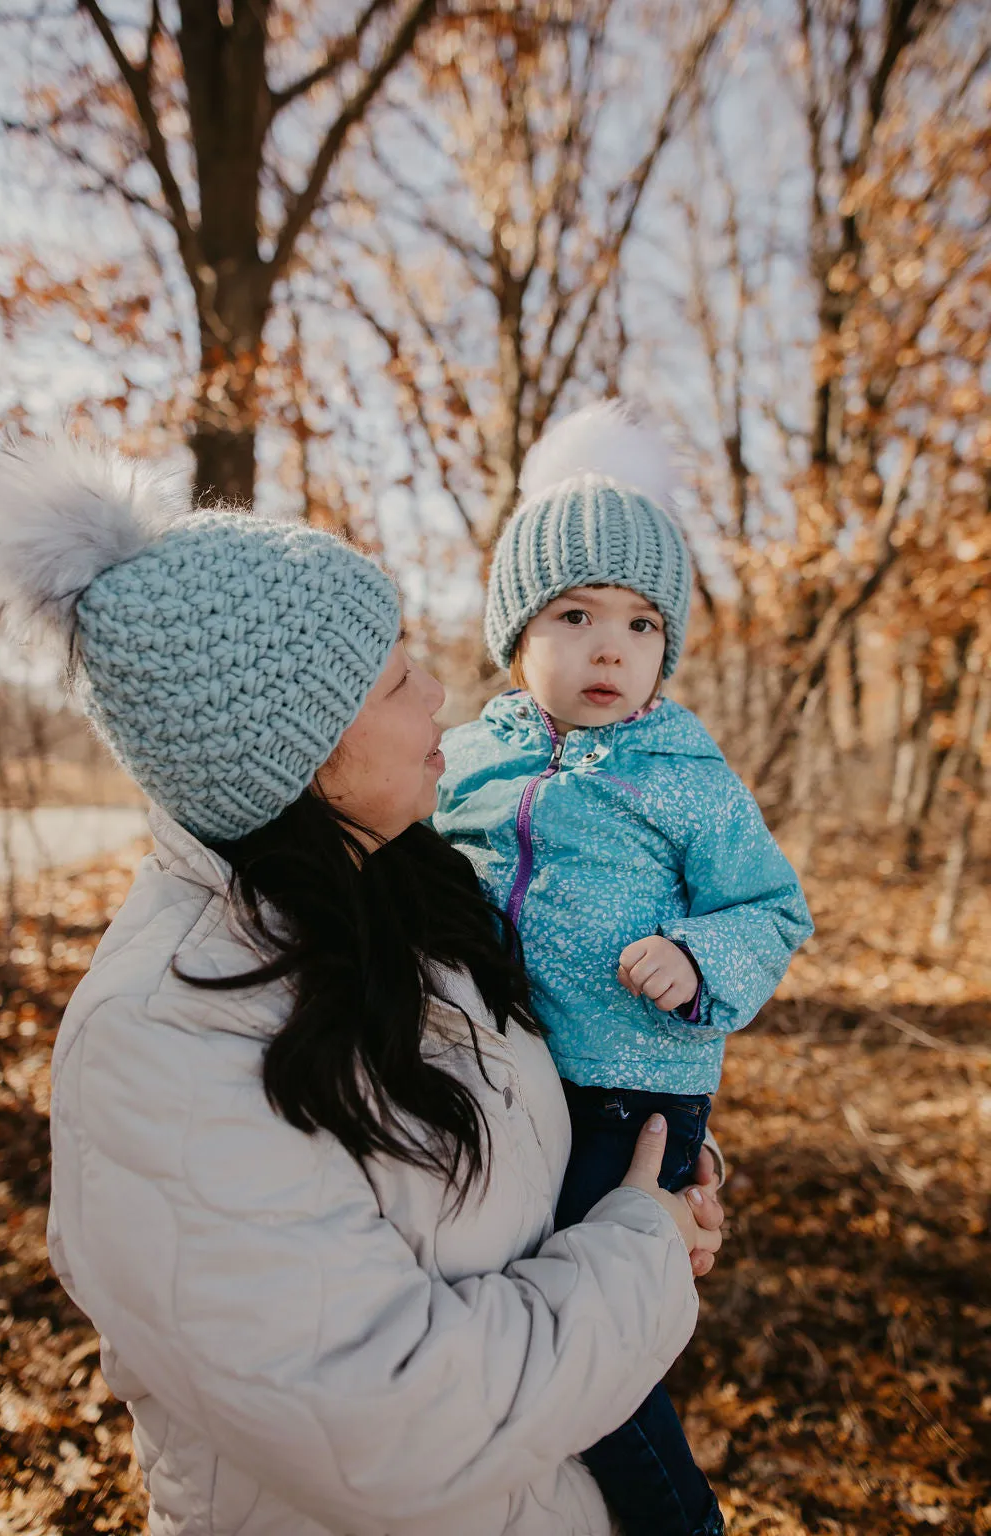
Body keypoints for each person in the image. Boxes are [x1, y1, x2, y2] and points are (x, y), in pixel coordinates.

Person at [0, 435, 726, 1536]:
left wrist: (651, 1165)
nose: (437, 695)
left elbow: (512, 1158)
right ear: (299, 757)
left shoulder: (411, 898)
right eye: (393, 677)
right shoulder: (163, 1041)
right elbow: (393, 1425)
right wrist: (640, 1256)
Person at [434, 401, 814, 1536]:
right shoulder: (464, 760)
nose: (612, 646)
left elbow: (772, 906)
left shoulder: (683, 771)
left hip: (634, 1088)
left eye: (644, 624)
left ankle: (675, 1521)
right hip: (511, 1074)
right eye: (577, 613)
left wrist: (697, 957)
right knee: (512, 1307)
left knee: (584, 1346)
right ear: (516, 634)